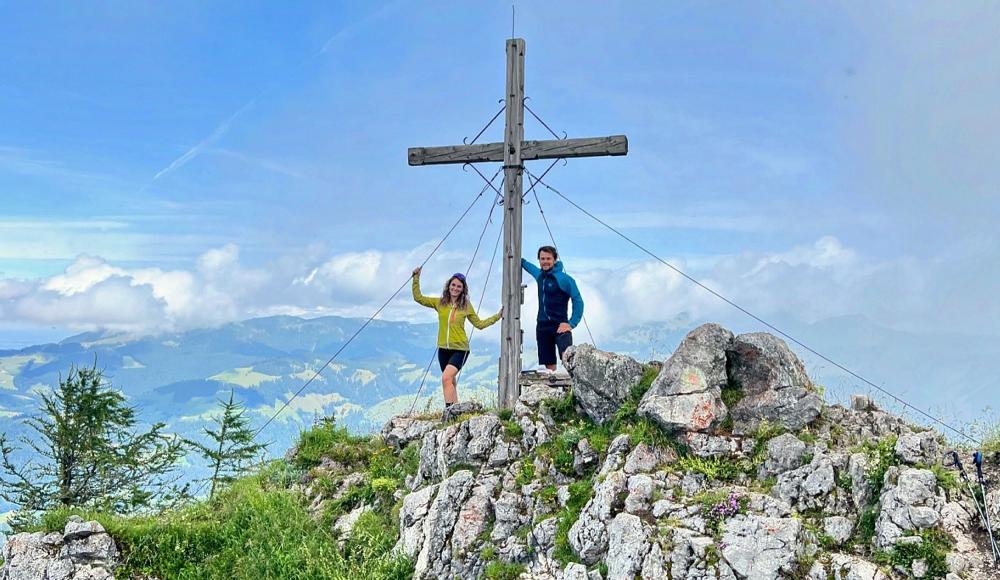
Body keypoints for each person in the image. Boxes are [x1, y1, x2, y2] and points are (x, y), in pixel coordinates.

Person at [412, 267, 502, 412]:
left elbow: (479, 325)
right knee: (451, 381)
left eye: (458, 286)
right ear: (448, 286)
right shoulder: (439, 303)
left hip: (460, 349)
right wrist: (416, 278)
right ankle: (456, 410)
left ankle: (450, 413)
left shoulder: (466, 306)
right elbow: (419, 298)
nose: (455, 288)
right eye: (453, 285)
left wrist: (497, 316)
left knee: (446, 379)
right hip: (443, 349)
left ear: (462, 289)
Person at [522, 245, 584, 372]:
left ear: (554, 260)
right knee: (548, 363)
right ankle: (552, 391)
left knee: (567, 358)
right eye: (542, 258)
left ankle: (571, 389)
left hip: (560, 325)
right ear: (539, 260)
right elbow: (527, 265)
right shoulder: (539, 275)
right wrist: (516, 258)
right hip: (543, 325)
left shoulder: (565, 279)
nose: (545, 261)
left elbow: (578, 301)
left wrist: (571, 323)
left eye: (548, 258)